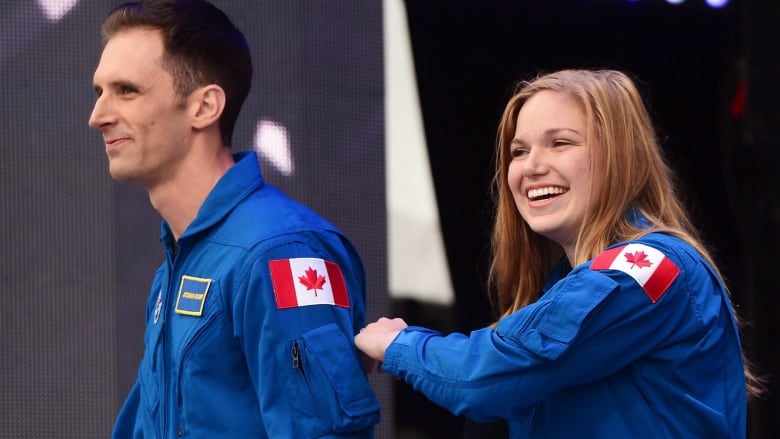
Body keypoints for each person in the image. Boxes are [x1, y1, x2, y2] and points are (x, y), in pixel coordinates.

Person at [355, 69, 762, 438]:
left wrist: (398, 343)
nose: (531, 166)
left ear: (619, 156)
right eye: (518, 151)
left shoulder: (648, 269)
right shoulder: (564, 287)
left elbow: (481, 379)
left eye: (560, 143)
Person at [88, 1, 380, 437]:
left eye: (127, 90)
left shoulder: (278, 250)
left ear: (204, 106)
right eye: (100, 92)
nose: (98, 117)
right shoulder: (187, 253)